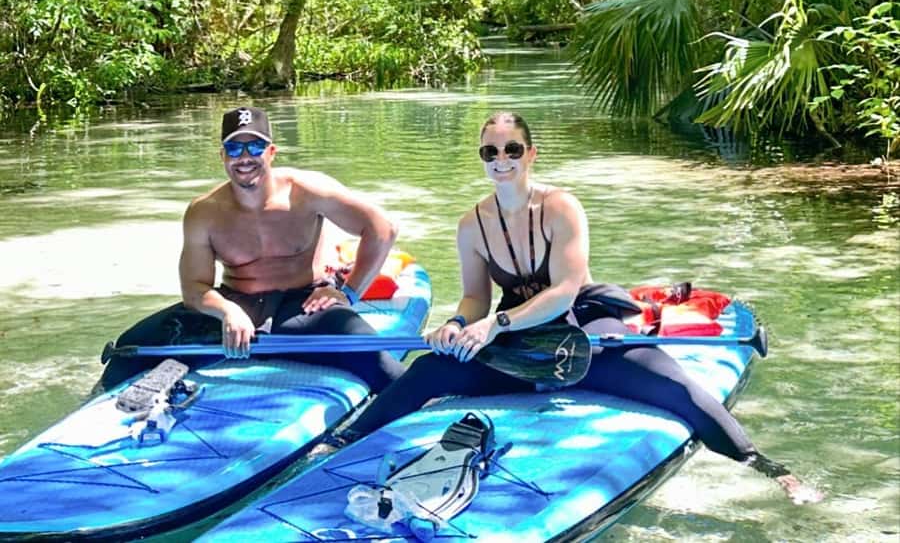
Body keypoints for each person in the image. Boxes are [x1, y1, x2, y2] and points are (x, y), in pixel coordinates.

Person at [326, 111, 822, 505]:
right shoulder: (470, 224)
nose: (501, 159)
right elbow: (476, 295)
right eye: (490, 151)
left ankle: (768, 468)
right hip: (514, 334)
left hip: (582, 321)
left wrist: (492, 324)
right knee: (429, 373)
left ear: (530, 154)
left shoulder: (562, 207)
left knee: (674, 387)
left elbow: (564, 291)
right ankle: (337, 446)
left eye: (511, 149)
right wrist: (458, 323)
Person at [99, 105, 404, 392]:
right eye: (234, 149)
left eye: (255, 147)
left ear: (271, 152)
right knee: (127, 351)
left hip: (303, 304)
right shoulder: (204, 211)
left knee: (375, 362)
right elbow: (194, 289)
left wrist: (347, 293)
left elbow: (382, 228)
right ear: (222, 156)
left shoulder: (307, 191)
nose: (244, 157)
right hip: (236, 303)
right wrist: (227, 311)